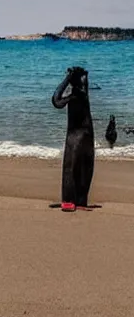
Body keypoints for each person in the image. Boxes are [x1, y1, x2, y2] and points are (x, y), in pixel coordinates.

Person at [52, 66, 95, 212]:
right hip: (84, 134)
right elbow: (57, 101)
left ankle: (73, 200)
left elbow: (56, 99)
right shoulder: (79, 95)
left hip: (78, 135)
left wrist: (68, 78)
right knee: (81, 167)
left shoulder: (78, 95)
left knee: (76, 167)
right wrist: (71, 78)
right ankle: (77, 200)